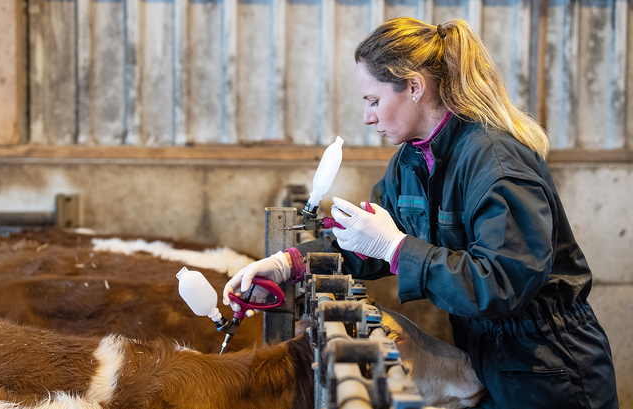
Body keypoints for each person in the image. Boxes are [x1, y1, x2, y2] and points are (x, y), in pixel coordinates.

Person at [223, 17, 618, 409]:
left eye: (373, 100)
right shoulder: (412, 161)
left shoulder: (494, 162)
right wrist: (289, 263)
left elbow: (501, 285)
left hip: (548, 367)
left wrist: (397, 248)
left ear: (414, 86)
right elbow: (364, 240)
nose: (367, 116)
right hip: (485, 354)